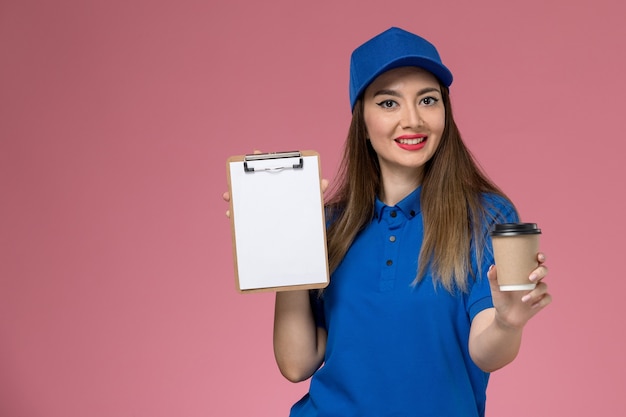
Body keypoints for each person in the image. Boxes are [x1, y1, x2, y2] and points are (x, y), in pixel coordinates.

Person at [225, 26, 551, 417]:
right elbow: (297, 363)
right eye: (388, 103)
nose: (412, 120)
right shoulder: (328, 224)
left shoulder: (486, 215)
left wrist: (508, 322)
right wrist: (286, 240)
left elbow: (485, 351)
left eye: (428, 100)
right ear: (361, 121)